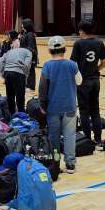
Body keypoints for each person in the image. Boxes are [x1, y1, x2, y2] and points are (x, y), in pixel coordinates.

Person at [38, 36, 82, 174]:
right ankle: (70, 164)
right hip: (70, 107)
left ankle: (55, 164)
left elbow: (42, 88)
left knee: (54, 138)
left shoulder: (47, 66)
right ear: (65, 49)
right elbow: (79, 81)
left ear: (49, 50)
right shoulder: (72, 65)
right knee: (70, 136)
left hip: (53, 108)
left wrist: (42, 105)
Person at [70, 20, 105, 149]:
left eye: (79, 30)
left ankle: (87, 139)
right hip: (95, 81)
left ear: (82, 31)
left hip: (83, 82)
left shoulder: (78, 44)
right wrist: (96, 70)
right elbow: (104, 63)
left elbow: (72, 64)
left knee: (84, 111)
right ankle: (98, 140)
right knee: (95, 111)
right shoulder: (99, 43)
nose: (79, 32)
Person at [0, 32, 32, 115]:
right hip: (19, 74)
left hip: (7, 73)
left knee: (10, 95)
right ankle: (21, 114)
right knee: (20, 95)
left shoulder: (9, 52)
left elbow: (1, 60)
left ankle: (11, 114)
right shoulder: (28, 52)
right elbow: (26, 65)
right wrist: (25, 76)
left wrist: (2, 74)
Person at [20, 19, 38, 91]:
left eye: (23, 24)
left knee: (31, 71)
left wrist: (29, 57)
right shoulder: (25, 33)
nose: (21, 25)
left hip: (29, 56)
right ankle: (27, 85)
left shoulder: (30, 34)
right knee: (26, 70)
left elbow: (31, 47)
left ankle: (31, 86)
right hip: (24, 55)